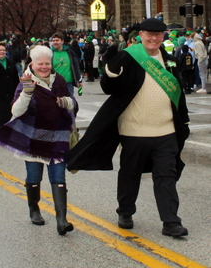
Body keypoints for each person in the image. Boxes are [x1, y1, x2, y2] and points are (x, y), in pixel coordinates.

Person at [65, 18, 190, 237]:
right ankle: (125, 211)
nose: (153, 38)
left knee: (166, 176)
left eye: (158, 35)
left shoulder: (169, 60)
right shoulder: (129, 57)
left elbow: (178, 92)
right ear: (140, 35)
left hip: (166, 131)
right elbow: (109, 88)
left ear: (163, 37)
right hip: (134, 131)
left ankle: (171, 221)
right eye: (149, 34)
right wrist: (111, 69)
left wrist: (184, 120)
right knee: (130, 174)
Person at [0, 45, 77, 235]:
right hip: (33, 138)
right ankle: (34, 209)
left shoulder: (60, 80)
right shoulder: (26, 81)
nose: (44, 67)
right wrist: (27, 92)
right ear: (33, 63)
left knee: (58, 177)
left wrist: (66, 102)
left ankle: (62, 220)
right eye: (40, 64)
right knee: (34, 177)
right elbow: (16, 111)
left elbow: (72, 102)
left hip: (57, 135)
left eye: (47, 63)